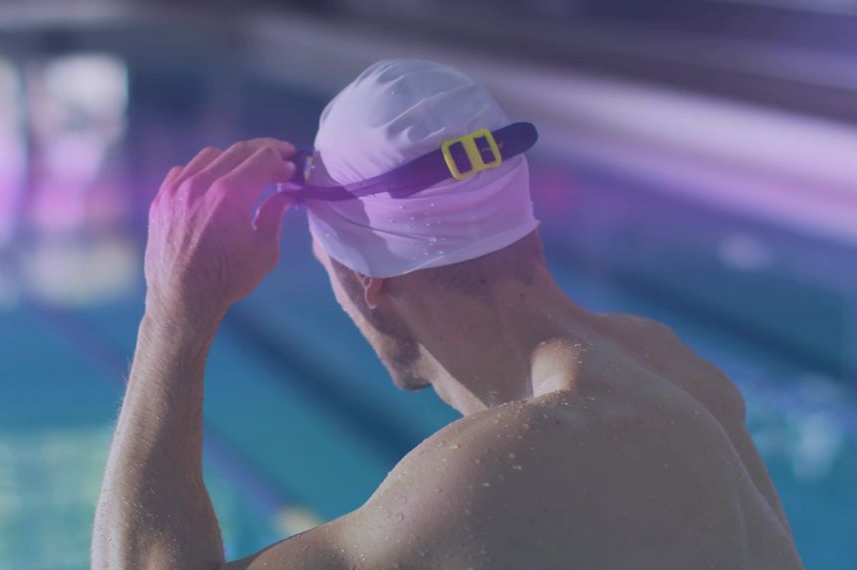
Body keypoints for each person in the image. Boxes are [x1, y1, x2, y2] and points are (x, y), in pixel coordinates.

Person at [92, 59, 804, 569]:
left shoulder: (488, 479)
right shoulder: (678, 367)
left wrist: (174, 316)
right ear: (519, 227)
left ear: (367, 280)